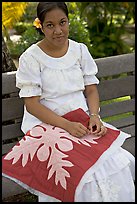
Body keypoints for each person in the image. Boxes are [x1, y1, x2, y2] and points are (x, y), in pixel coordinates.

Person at [2, 2, 135, 202]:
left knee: (118, 163)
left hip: (81, 120)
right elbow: (32, 105)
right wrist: (67, 126)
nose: (58, 30)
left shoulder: (79, 51)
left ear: (68, 21)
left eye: (62, 22)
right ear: (40, 25)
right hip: (47, 126)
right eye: (50, 25)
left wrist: (94, 116)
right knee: (83, 177)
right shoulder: (31, 58)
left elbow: (91, 89)